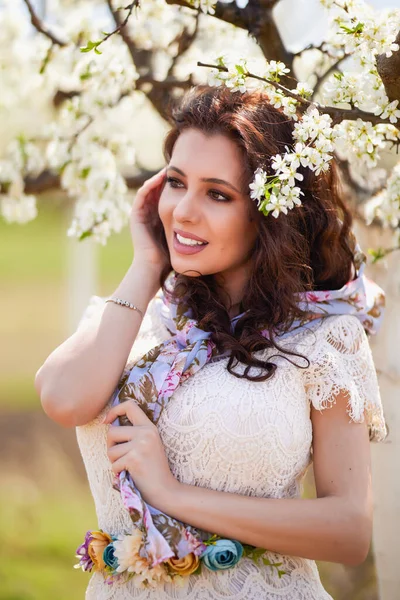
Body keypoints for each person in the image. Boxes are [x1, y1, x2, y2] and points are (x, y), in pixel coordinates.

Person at [35, 84, 387, 600]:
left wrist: (172, 494)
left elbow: (349, 530)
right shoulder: (132, 318)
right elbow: (64, 401)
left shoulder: (326, 337)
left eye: (218, 194)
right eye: (177, 184)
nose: (183, 213)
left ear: (270, 212)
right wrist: (147, 265)